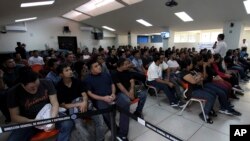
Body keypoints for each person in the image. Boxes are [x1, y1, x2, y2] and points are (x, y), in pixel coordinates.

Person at [6, 68, 73, 141]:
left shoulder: (46, 83)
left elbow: (54, 103)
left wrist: (52, 120)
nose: (35, 88)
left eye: (37, 85)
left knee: (68, 123)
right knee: (13, 139)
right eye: (32, 87)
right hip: (28, 121)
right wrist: (32, 122)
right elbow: (14, 116)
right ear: (22, 84)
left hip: (49, 114)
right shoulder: (13, 92)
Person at [56, 64, 106, 141]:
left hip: (85, 105)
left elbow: (84, 94)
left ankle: (100, 139)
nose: (70, 72)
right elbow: (63, 105)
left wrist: (84, 103)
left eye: (70, 69)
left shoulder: (77, 81)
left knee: (99, 117)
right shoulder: (58, 86)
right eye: (67, 70)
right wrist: (79, 104)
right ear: (61, 74)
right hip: (73, 109)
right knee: (79, 125)